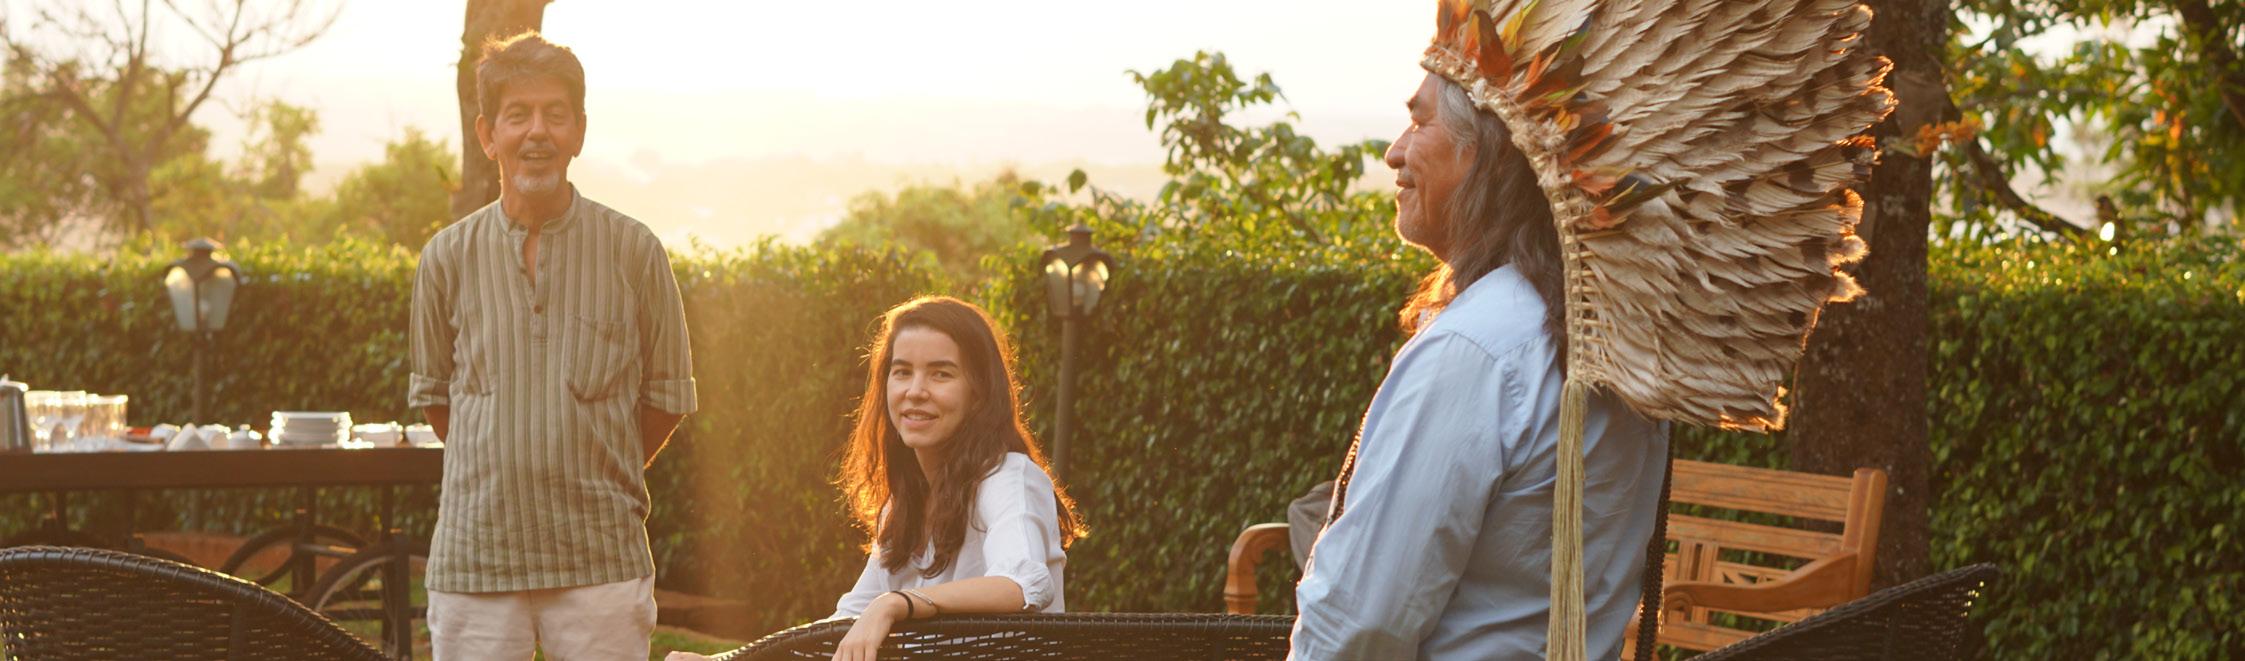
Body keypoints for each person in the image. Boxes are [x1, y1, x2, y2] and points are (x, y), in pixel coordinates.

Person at [1285, 71, 1669, 660]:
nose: (1394, 152)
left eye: (1419, 122)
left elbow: (1360, 625)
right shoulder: (1614, 334)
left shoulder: (1477, 349)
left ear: (1487, 153)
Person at [409, 30, 697, 661]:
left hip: (601, 559)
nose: (537, 132)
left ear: (579, 131)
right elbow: (435, 398)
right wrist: (505, 465)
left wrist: (592, 469)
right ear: (488, 135)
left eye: (554, 114)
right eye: (518, 114)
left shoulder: (635, 250)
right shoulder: (446, 257)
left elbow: (668, 397)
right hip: (475, 561)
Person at [670, 296, 1080, 661]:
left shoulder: (1008, 477)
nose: (915, 390)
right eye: (902, 372)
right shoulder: (902, 508)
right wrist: (727, 660)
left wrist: (897, 603)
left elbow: (1021, 584)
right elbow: (846, 621)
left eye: (941, 374)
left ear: (979, 393)